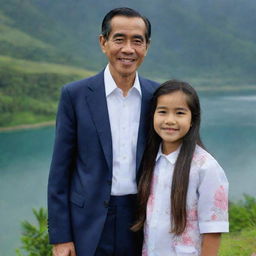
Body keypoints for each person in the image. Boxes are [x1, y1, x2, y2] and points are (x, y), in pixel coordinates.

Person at [47, 7, 159, 256]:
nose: (128, 49)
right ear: (103, 42)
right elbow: (60, 172)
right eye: (119, 39)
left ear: (146, 47)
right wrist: (60, 237)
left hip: (143, 220)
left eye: (137, 41)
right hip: (88, 223)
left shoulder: (157, 96)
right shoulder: (75, 95)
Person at [132, 80, 229, 256]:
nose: (170, 120)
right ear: (152, 115)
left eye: (180, 113)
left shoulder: (205, 167)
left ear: (193, 119)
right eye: (162, 112)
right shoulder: (150, 160)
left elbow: (213, 229)